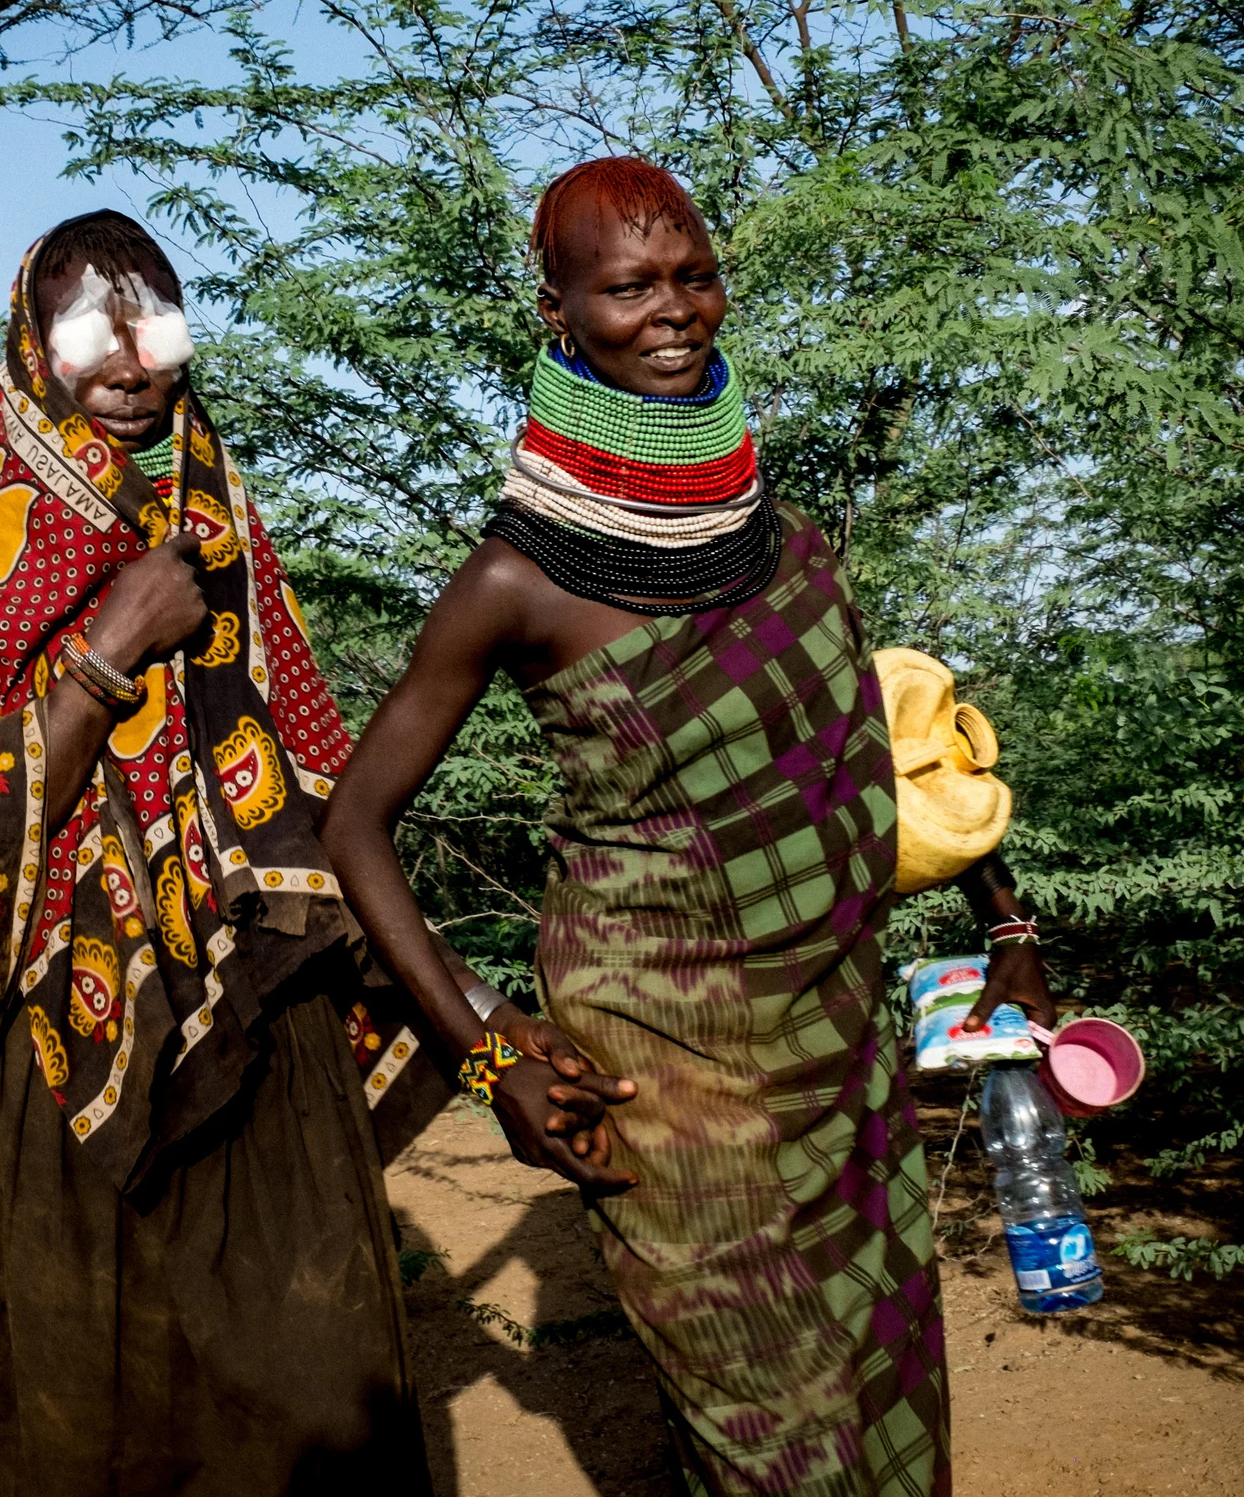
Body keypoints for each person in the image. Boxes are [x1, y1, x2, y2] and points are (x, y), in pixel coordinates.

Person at [320, 157, 1056, 1497]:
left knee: (886, 1392)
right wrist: (489, 1059)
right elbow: (353, 824)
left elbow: (874, 740)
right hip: (662, 1084)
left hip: (842, 1047)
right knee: (772, 1435)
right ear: (559, 311)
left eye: (694, 275)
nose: (674, 310)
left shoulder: (784, 539)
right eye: (629, 286)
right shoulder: (514, 578)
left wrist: (1002, 913)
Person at [0, 210, 528, 1496]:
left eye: (156, 328)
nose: (129, 361)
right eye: (89, 331)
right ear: (30, 342)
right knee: (93, 1417)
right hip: (65, 1043)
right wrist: (107, 651)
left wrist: (491, 1036)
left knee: (317, 1379)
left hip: (264, 1012)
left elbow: (320, 805)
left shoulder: (221, 512)